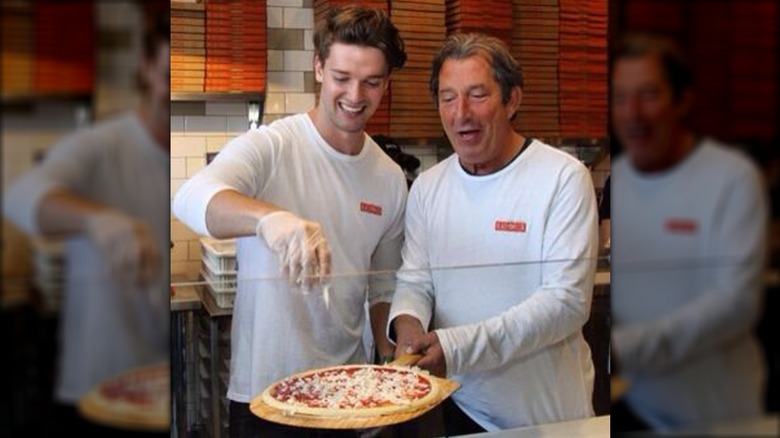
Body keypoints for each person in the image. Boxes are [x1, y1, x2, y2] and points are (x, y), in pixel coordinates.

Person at [172, 6, 407, 438]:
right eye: (342, 77)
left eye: (372, 82)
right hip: (267, 394)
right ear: (318, 68)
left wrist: (392, 368)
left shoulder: (389, 178)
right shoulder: (273, 146)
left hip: (349, 392)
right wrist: (269, 220)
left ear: (386, 84)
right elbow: (188, 198)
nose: (355, 95)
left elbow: (384, 286)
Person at [387, 33, 599, 434]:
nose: (460, 113)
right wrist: (409, 330)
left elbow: (566, 302)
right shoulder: (429, 187)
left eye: (477, 95)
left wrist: (455, 347)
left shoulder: (562, 178)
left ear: (512, 99)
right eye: (448, 98)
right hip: (463, 405)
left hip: (548, 415)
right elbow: (416, 278)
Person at [2, 9, 170, 436]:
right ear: (146, 67)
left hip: (162, 391)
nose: (172, 91)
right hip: (97, 391)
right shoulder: (102, 145)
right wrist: (98, 220)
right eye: (167, 75)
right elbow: (19, 197)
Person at [609, 33, 768, 432]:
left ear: (682, 101)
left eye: (648, 95)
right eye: (620, 97)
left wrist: (625, 348)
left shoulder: (731, 177)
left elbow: (735, 303)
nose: (633, 113)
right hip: (638, 408)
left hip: (720, 413)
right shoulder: (620, 179)